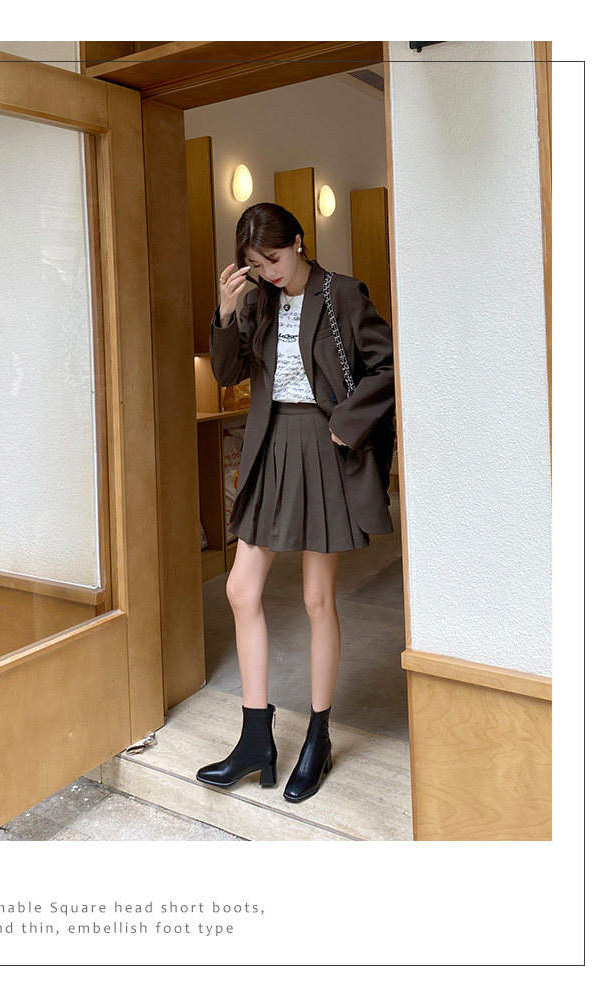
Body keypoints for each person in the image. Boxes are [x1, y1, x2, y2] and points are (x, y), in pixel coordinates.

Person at [195, 202, 395, 803]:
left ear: (299, 242)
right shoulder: (257, 301)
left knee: (315, 599)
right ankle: (256, 737)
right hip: (270, 447)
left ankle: (318, 735)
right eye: (256, 265)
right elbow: (228, 372)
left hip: (323, 444)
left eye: (275, 258)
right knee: (241, 589)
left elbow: (388, 365)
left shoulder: (343, 294)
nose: (269, 271)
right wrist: (225, 311)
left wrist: (347, 426)